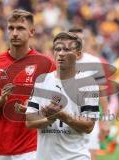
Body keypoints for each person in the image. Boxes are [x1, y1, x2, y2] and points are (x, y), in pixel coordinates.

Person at [0, 9, 55, 160]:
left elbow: (57, 104)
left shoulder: (47, 64)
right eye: (11, 28)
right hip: (0, 149)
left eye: (20, 28)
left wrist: (34, 108)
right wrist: (0, 100)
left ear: (32, 32)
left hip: (33, 149)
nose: (14, 33)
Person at [23, 32, 99, 160]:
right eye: (58, 49)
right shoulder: (42, 80)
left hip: (76, 157)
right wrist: (50, 119)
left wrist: (62, 115)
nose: (61, 53)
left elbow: (89, 126)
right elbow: (29, 122)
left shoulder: (88, 84)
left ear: (78, 54)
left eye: (67, 49)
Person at [68, 28, 116, 158]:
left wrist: (105, 121)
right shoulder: (60, 62)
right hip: (66, 118)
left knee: (91, 155)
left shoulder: (94, 62)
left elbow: (102, 93)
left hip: (89, 117)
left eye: (81, 39)